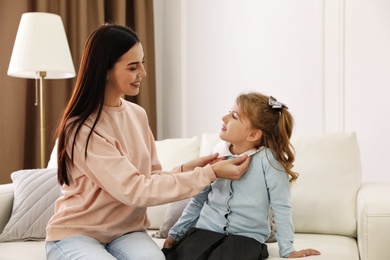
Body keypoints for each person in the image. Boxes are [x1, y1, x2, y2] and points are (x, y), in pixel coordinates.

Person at [45, 24, 250, 260]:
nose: (142, 73)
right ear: (105, 70)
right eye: (133, 67)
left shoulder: (137, 114)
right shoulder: (80, 129)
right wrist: (209, 174)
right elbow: (134, 190)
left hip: (127, 232)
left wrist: (190, 169)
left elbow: (149, 179)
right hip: (77, 234)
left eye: (142, 63)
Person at [163, 92, 321, 259]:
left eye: (234, 116)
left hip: (245, 238)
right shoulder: (217, 153)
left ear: (253, 134)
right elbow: (199, 199)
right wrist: (176, 233)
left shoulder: (269, 161)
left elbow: (282, 207)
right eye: (229, 112)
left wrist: (287, 249)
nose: (224, 117)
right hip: (205, 232)